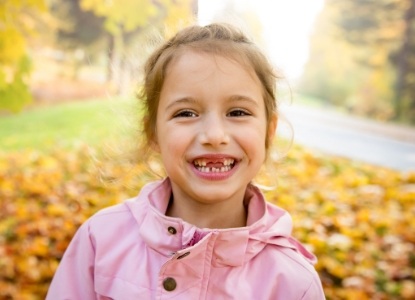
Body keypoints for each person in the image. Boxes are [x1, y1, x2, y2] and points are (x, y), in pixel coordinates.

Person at [47, 23, 325, 299]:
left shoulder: (292, 284)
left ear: (269, 131)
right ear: (153, 133)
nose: (214, 135)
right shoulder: (102, 240)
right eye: (186, 113)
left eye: (238, 112)